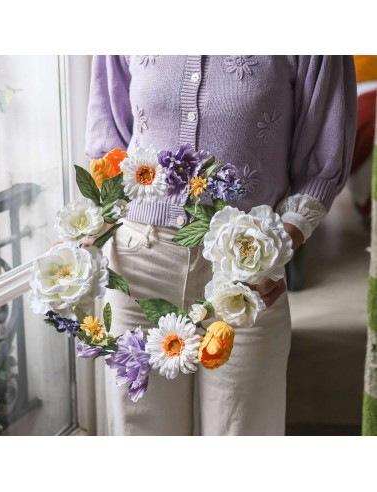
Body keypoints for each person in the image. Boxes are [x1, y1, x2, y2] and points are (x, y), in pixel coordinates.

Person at [84, 55, 357, 436]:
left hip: (247, 278)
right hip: (138, 265)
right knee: (141, 434)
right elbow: (107, 143)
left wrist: (277, 247)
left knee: (242, 430)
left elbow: (321, 165)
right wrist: (88, 227)